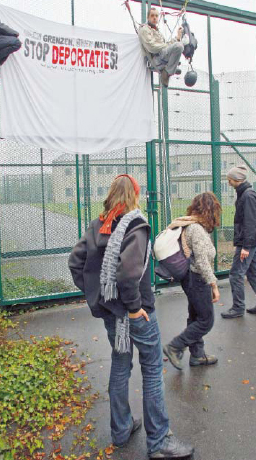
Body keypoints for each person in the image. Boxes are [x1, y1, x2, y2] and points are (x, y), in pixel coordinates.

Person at [69, 174, 194, 459]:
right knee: (152, 370)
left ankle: (122, 429)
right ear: (134, 196)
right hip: (136, 313)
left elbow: (75, 263)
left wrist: (98, 295)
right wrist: (134, 307)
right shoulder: (136, 226)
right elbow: (128, 274)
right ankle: (160, 441)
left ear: (112, 194)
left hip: (113, 313)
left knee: (120, 365)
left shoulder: (97, 225)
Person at [163, 192, 222, 370]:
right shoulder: (196, 229)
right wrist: (214, 285)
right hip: (197, 279)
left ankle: (197, 355)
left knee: (195, 316)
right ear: (210, 210)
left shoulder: (192, 225)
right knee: (206, 320)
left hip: (191, 278)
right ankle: (174, 346)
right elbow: (202, 261)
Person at [221, 165, 256, 319]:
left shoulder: (248, 196)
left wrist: (246, 247)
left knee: (236, 274)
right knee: (253, 272)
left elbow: (250, 223)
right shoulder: (246, 194)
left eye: (230, 179)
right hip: (251, 242)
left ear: (237, 179)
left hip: (248, 243)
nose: (228, 181)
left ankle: (238, 308)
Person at [138, 7, 188, 87]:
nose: (154, 18)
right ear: (148, 17)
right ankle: (168, 72)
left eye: (156, 16)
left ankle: (169, 70)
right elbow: (152, 47)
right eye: (152, 16)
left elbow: (165, 45)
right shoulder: (145, 29)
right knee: (179, 46)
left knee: (179, 46)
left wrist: (178, 37)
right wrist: (177, 43)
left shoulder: (157, 31)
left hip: (161, 57)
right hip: (155, 60)